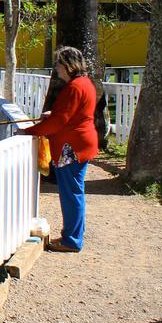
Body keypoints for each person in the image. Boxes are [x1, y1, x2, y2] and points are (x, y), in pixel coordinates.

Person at [18, 45, 99, 253]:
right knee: (74, 193)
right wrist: (53, 114)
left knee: (71, 194)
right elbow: (69, 113)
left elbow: (58, 122)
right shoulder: (84, 83)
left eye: (58, 64)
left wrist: (29, 131)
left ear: (68, 65)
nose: (56, 68)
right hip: (80, 143)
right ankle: (72, 236)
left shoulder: (74, 87)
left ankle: (71, 240)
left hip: (72, 147)